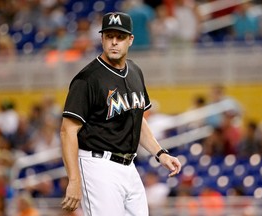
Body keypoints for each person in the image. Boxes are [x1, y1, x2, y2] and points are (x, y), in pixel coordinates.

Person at [60, 12, 181, 216]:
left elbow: (136, 118)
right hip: (97, 165)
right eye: (109, 36)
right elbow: (67, 131)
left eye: (120, 37)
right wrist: (74, 180)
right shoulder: (88, 79)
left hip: (129, 166)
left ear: (130, 40)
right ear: (102, 39)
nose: (114, 42)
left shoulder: (135, 71)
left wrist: (160, 153)